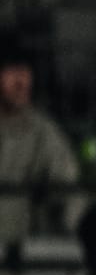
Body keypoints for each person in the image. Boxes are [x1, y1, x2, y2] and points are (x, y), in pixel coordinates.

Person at [0, 40, 79, 252]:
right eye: (10, 71)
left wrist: (74, 241)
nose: (21, 81)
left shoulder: (41, 131)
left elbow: (67, 187)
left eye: (25, 71)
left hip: (17, 251)